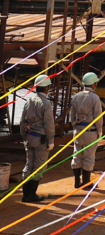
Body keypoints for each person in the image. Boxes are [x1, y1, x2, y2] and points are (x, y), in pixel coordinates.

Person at [20, 75, 55, 203]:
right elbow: (49, 125)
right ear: (46, 88)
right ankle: (31, 195)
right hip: (41, 139)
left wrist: (24, 136)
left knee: (28, 165)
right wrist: (51, 141)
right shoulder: (46, 104)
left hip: (29, 138)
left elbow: (22, 121)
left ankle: (25, 195)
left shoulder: (29, 101)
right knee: (38, 166)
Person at [69, 72, 103, 188]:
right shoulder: (95, 98)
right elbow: (98, 117)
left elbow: (72, 116)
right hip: (90, 132)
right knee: (89, 157)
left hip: (78, 131)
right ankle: (86, 182)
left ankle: (77, 182)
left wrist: (75, 126)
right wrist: (99, 131)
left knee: (77, 155)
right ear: (93, 84)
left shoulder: (76, 97)